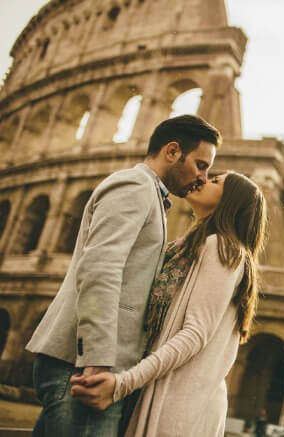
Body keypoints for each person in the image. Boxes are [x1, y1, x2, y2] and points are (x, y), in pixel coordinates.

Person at [26, 114, 221, 436]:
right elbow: (101, 269)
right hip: (86, 366)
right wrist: (99, 360)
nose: (203, 176)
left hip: (85, 362)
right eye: (201, 164)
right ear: (172, 151)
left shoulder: (151, 195)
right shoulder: (134, 186)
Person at [70, 170, 268, 437]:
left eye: (216, 181)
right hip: (174, 396)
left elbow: (194, 334)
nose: (203, 180)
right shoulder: (193, 245)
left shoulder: (222, 247)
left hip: (178, 407)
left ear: (231, 201)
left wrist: (122, 384)